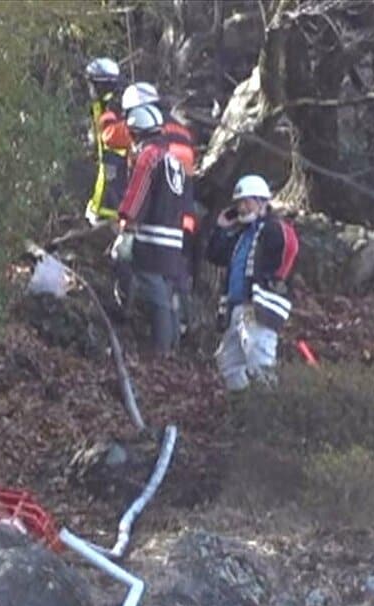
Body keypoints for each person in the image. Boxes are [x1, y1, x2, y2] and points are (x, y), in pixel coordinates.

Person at [121, 82, 200, 336]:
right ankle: (183, 331)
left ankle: (154, 337)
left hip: (156, 220)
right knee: (174, 279)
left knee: (152, 281)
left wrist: (128, 223)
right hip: (180, 217)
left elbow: (144, 185)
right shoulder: (181, 131)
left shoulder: (152, 147)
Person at [207, 175, 299, 391]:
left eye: (247, 202)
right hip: (235, 307)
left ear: (261, 201)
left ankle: (269, 414)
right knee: (228, 362)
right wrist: (221, 228)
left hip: (256, 307)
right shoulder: (241, 235)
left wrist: (270, 283)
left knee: (260, 361)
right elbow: (214, 254)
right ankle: (243, 410)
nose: (241, 208)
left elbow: (289, 249)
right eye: (239, 203)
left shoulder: (273, 228)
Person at [83, 57, 131, 226]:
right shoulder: (99, 105)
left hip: (116, 202)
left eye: (92, 84)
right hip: (107, 199)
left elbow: (111, 140)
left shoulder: (117, 105)